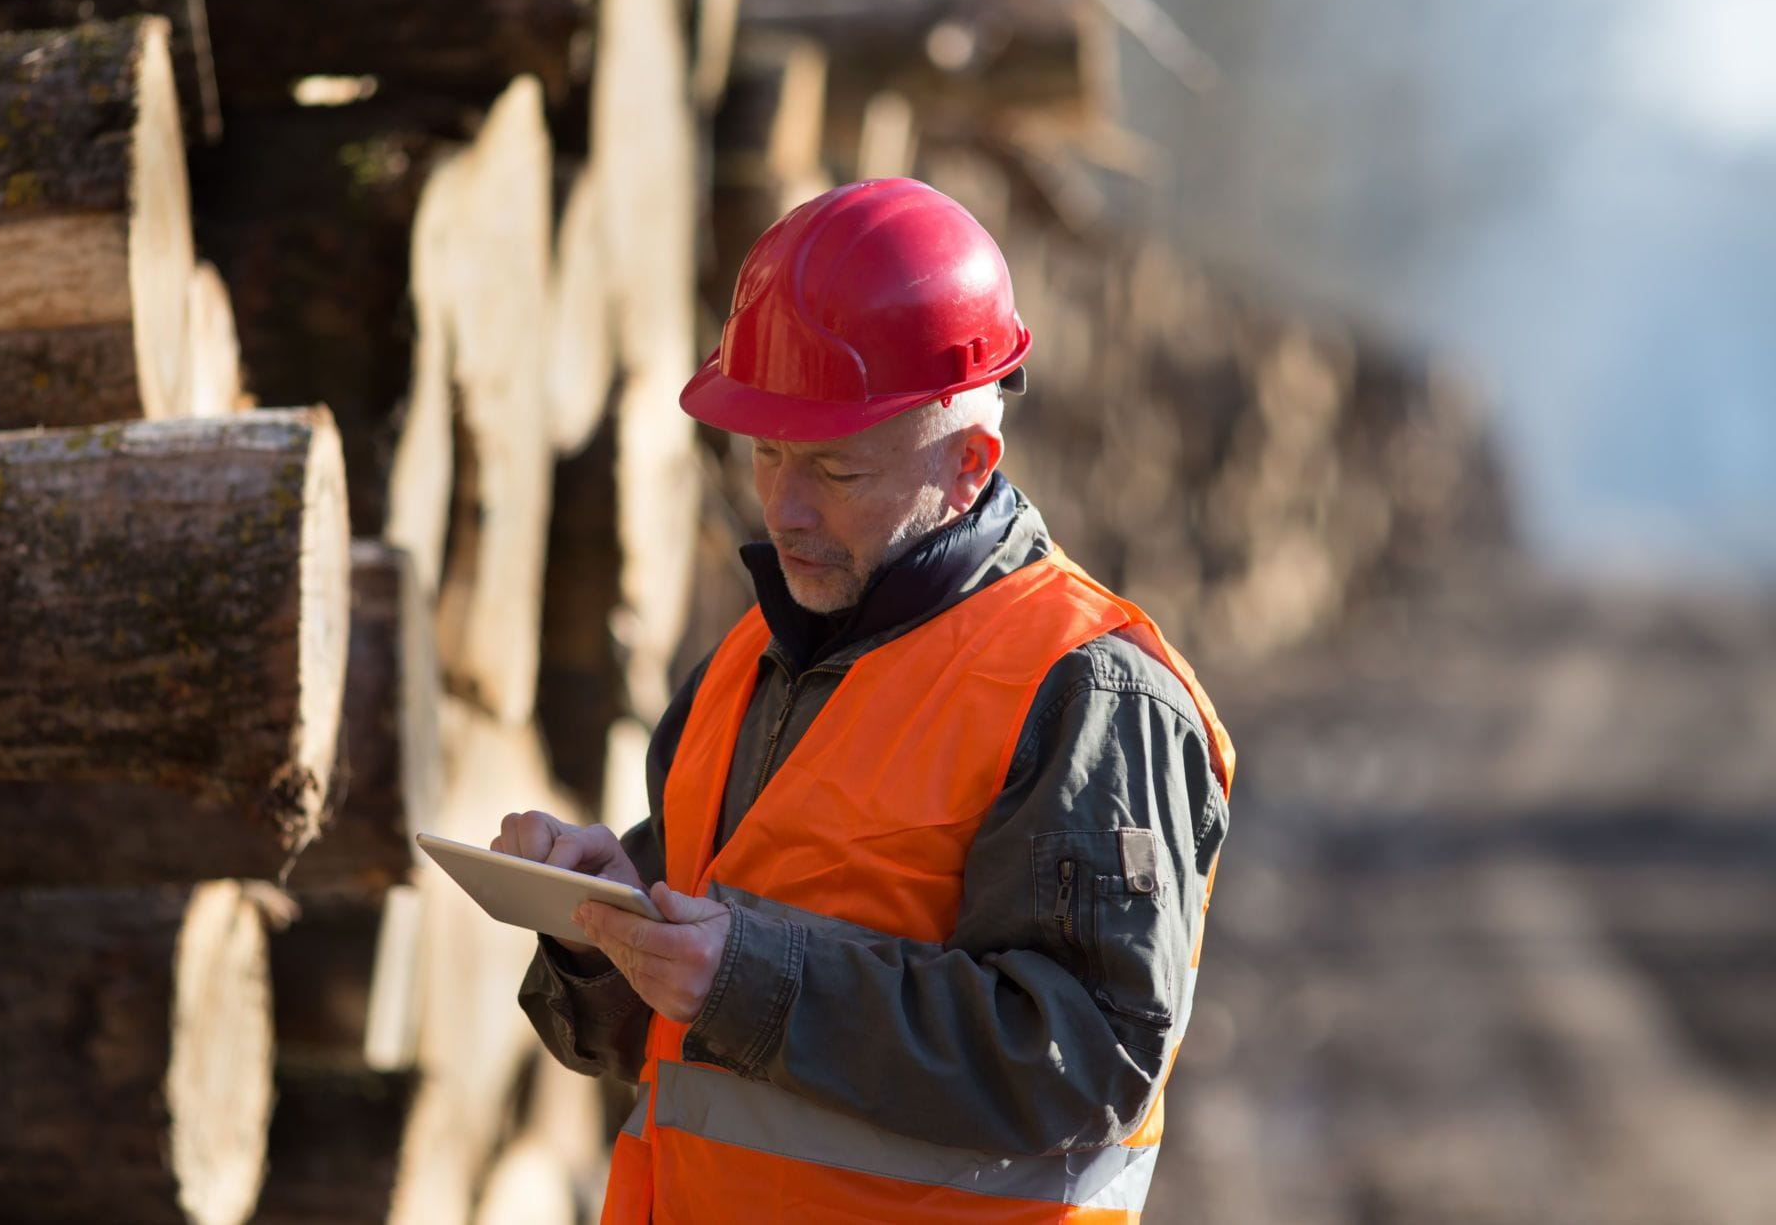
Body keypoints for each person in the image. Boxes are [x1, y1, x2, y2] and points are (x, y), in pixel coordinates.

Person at [497, 177, 1234, 1223]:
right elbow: (679, 1040)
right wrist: (600, 930)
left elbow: (1088, 1060)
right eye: (764, 454)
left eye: (833, 471)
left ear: (969, 462)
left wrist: (751, 982)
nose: (783, 508)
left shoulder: (1090, 693)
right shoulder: (747, 662)